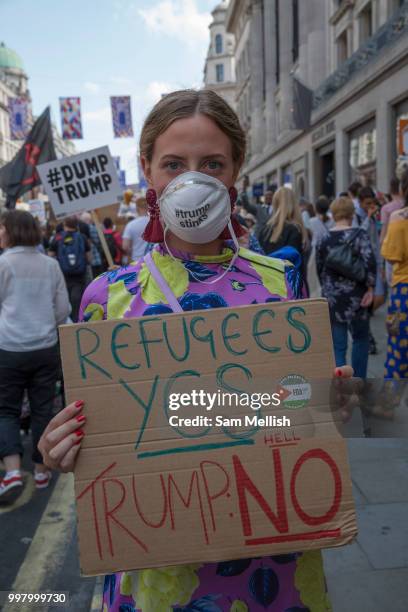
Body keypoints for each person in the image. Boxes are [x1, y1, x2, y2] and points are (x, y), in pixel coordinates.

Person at [38, 89, 353, 612]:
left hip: (272, 563)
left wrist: (329, 403)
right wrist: (59, 449)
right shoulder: (108, 297)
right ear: (148, 171)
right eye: (173, 164)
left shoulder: (281, 282)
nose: (193, 179)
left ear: (235, 172)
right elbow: (101, 434)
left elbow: (295, 405)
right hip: (163, 577)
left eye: (212, 163)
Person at [0, 210, 70, 501]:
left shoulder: (3, 264)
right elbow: (63, 308)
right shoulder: (50, 264)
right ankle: (42, 469)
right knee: (43, 407)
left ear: (11, 231)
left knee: (6, 409)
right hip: (45, 346)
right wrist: (44, 323)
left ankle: (13, 471)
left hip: (10, 347)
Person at [316, 196, 376, 379]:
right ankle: (359, 384)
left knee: (338, 344)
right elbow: (370, 263)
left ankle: (341, 388)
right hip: (358, 297)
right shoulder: (360, 235)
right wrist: (370, 289)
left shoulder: (324, 237)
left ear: (333, 214)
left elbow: (320, 268)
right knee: (360, 339)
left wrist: (326, 289)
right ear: (351, 213)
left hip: (334, 297)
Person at [381, 170, 408, 382]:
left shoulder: (398, 218)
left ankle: (388, 402)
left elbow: (391, 256)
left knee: (397, 342)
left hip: (403, 290)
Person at [48, 216, 90, 323]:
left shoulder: (57, 238)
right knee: (77, 301)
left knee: (64, 300)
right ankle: (77, 322)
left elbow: (50, 255)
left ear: (64, 224)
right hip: (79, 276)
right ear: (76, 225)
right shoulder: (82, 237)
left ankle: (66, 323)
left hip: (63, 275)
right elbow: (89, 257)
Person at [122, 196, 149, 263]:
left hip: (138, 260)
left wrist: (130, 253)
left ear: (137, 208)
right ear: (148, 207)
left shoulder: (130, 225)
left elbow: (125, 246)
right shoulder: (157, 222)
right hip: (156, 258)